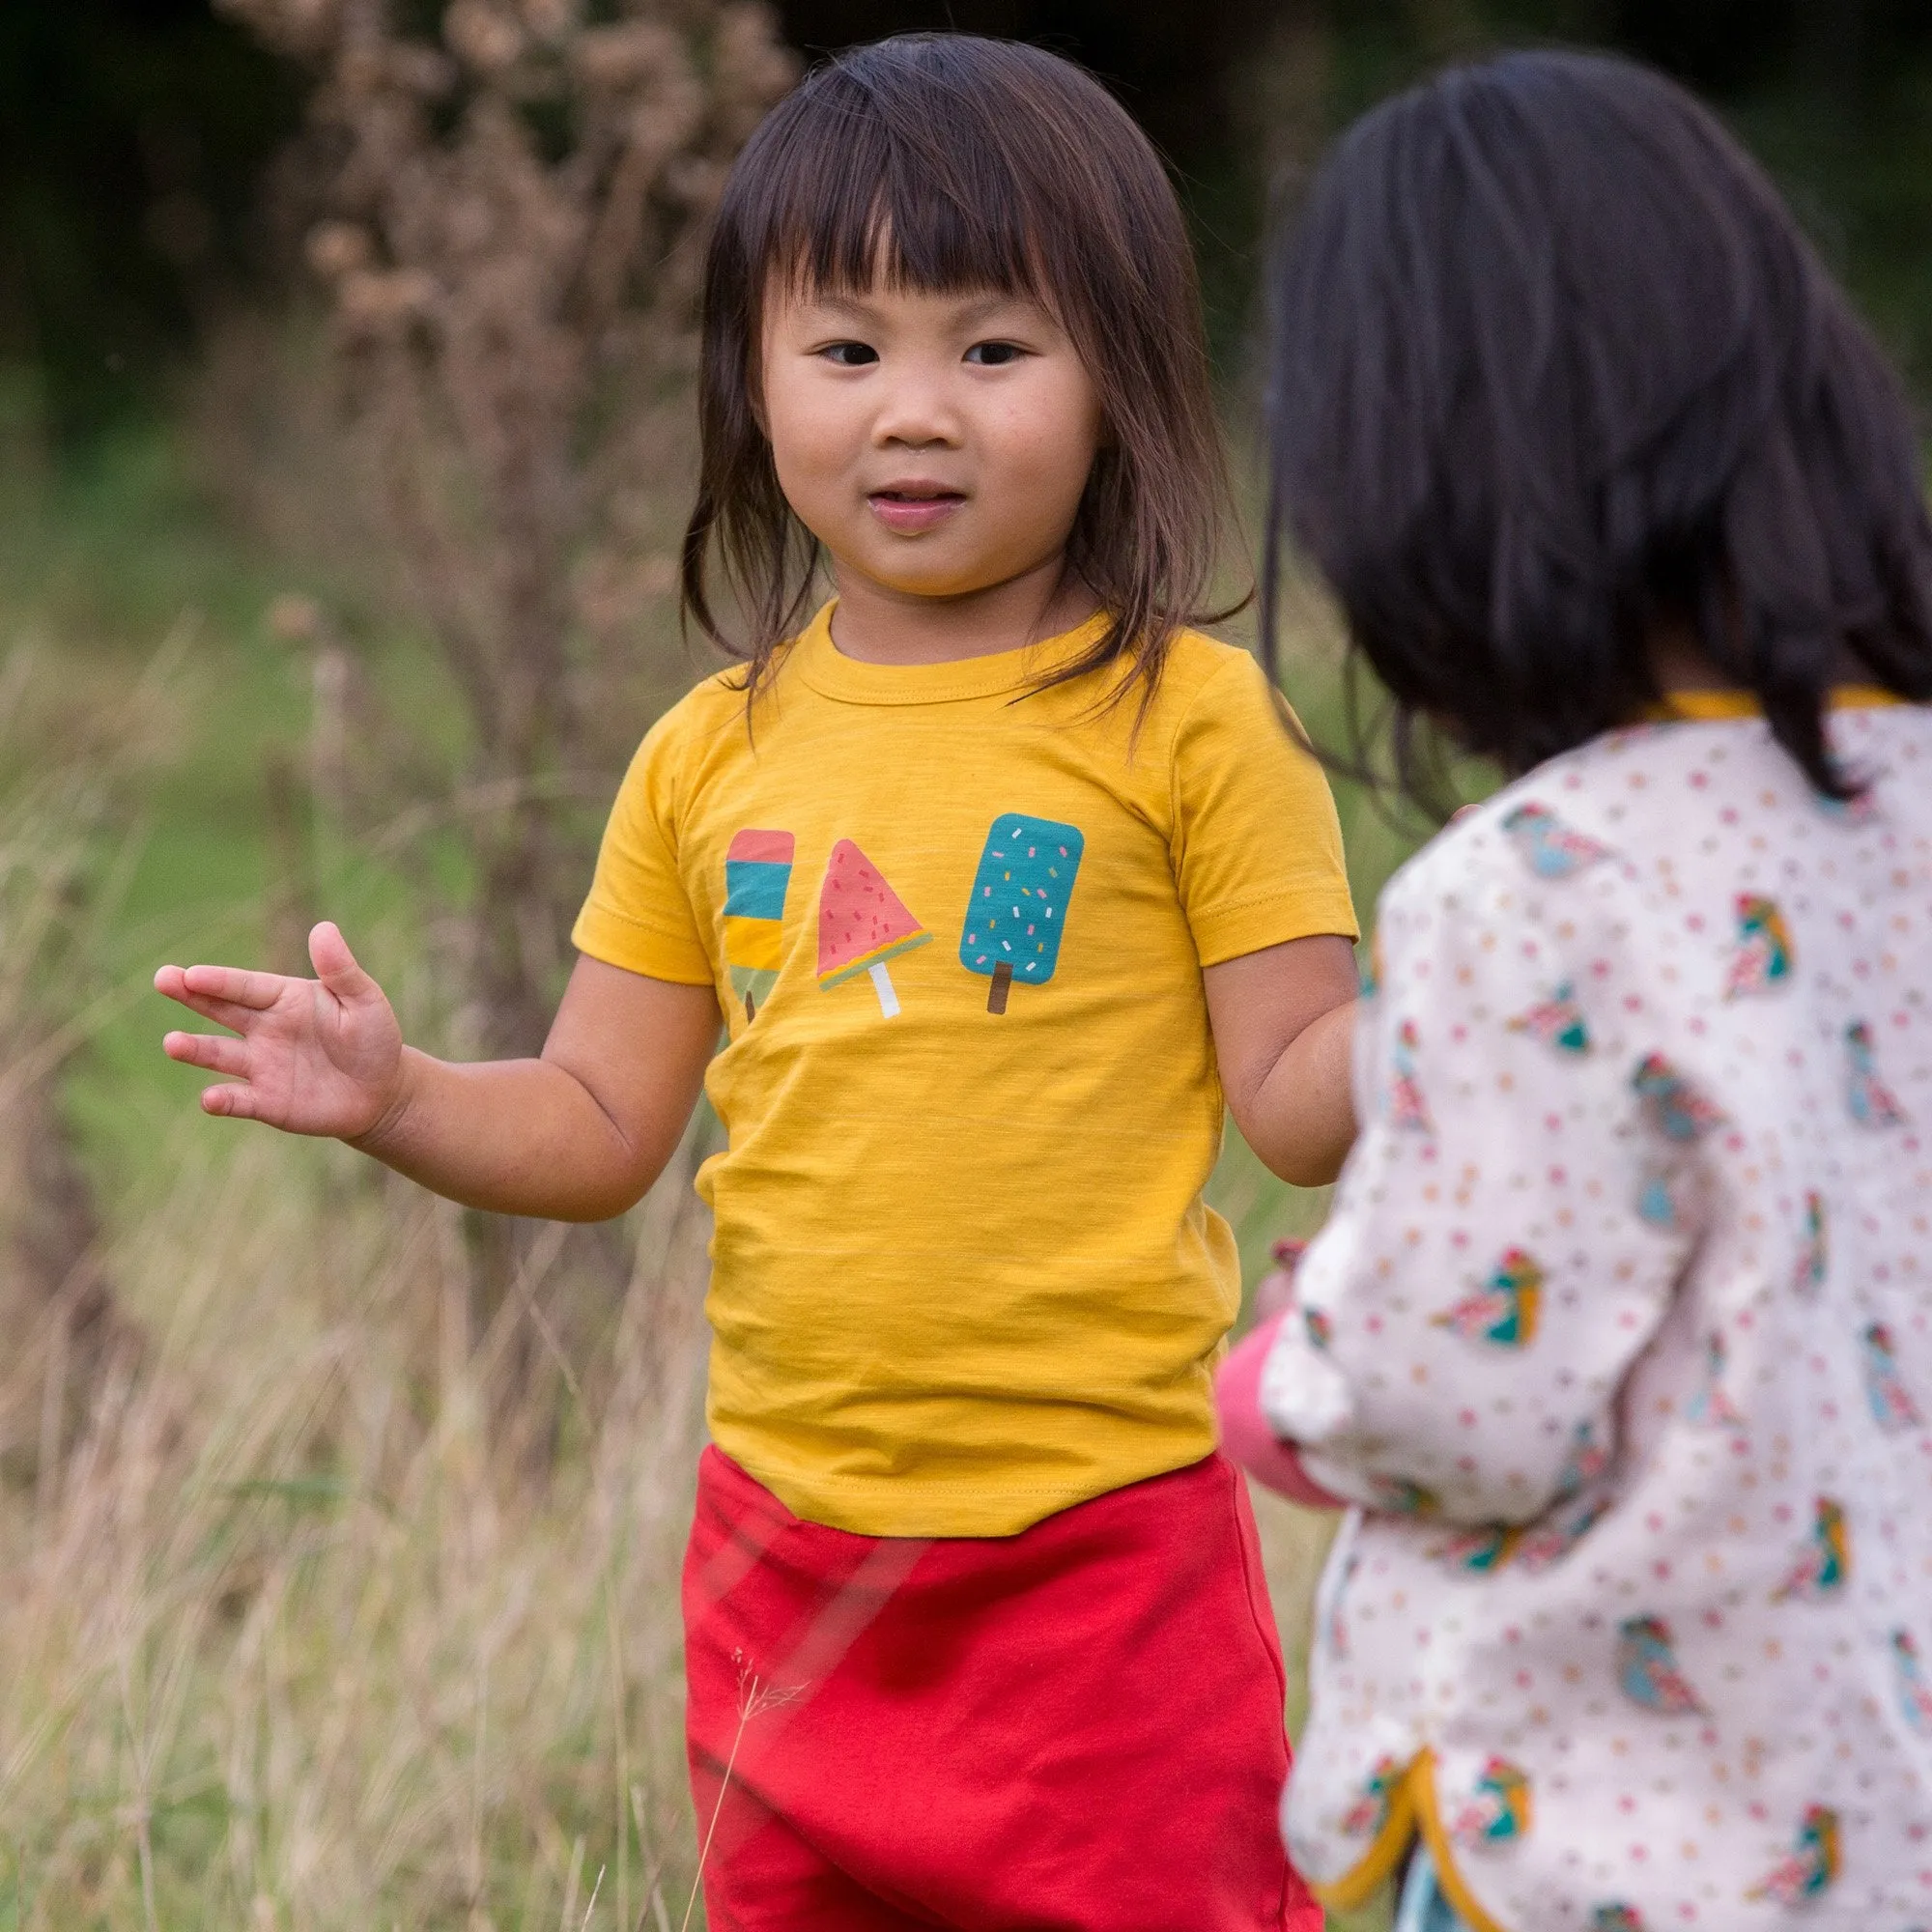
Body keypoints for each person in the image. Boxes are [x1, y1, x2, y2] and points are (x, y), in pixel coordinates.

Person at [156, 35, 1361, 1931]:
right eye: (848, 346)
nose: (914, 412)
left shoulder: (1192, 724)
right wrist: (399, 1098)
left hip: (1099, 1563)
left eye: (993, 348)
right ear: (753, 378)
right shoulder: (707, 756)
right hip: (781, 1559)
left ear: (1121, 380)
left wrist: (1465, 1014)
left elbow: (1293, 1086)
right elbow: (595, 1121)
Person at [1217, 46, 1932, 1932]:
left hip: (1602, 1838)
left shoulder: (1530, 892)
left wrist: (1294, 1364)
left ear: (1431, 494)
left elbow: (1449, 1397)